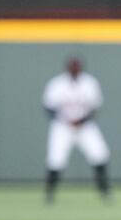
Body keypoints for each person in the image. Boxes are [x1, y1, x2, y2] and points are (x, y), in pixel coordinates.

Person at [42, 56, 112, 204]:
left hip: (85, 126)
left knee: (100, 154)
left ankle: (104, 191)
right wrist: (65, 120)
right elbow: (48, 108)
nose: (75, 69)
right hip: (62, 127)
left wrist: (81, 120)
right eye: (73, 66)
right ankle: (49, 193)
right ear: (67, 68)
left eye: (77, 66)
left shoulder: (90, 83)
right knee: (55, 159)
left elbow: (95, 108)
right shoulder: (57, 84)